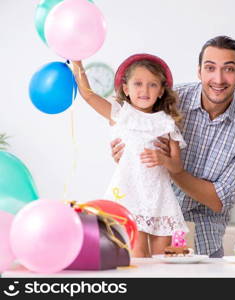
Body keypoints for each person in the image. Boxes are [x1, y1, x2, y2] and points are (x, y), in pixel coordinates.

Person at [112, 36, 235, 258]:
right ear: (199, 71)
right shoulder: (170, 100)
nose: (218, 78)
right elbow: (135, 127)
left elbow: (219, 200)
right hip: (151, 220)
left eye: (229, 69)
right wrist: (127, 153)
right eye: (210, 68)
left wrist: (172, 167)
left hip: (205, 239)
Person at [71, 54, 189, 258]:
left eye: (152, 85)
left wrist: (163, 159)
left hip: (160, 198)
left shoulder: (167, 123)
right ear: (126, 88)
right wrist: (77, 63)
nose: (145, 90)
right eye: (138, 84)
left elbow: (177, 167)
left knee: (164, 264)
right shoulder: (120, 114)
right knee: (138, 258)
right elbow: (89, 95)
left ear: (161, 91)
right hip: (130, 197)